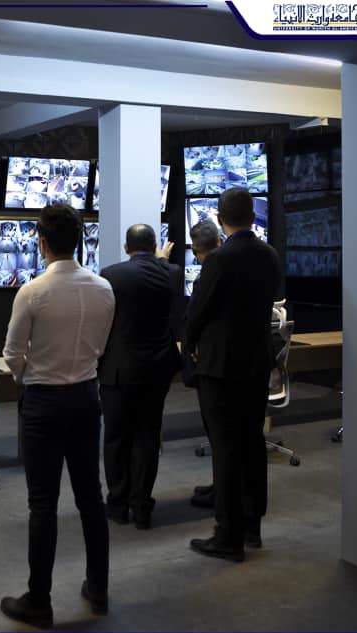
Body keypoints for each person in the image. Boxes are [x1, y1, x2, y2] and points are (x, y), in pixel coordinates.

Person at [0, 203, 115, 627]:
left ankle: (39, 600)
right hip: (86, 397)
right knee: (91, 498)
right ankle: (98, 589)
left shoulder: (32, 292)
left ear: (43, 243)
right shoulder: (104, 288)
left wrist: (31, 378)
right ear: (79, 241)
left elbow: (13, 355)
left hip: (44, 404)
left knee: (43, 504)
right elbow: (101, 346)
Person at [185, 187, 282, 562]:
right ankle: (252, 526)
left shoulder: (219, 259)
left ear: (220, 219)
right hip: (256, 362)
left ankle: (228, 536)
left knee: (226, 449)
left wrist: (190, 344)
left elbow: (199, 311)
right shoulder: (269, 255)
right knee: (252, 443)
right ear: (253, 217)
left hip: (220, 366)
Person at [98, 224, 182, 530]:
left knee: (116, 437)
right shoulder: (171, 272)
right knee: (147, 436)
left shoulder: (111, 274)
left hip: (119, 369)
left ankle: (118, 505)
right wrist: (161, 259)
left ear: (126, 247)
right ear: (155, 245)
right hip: (157, 369)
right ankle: (142, 506)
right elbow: (161, 270)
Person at [185, 219, 223, 509]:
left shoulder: (209, 275)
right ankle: (221, 488)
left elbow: (194, 319)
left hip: (213, 364)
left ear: (196, 249)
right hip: (240, 363)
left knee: (218, 433)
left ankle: (222, 493)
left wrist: (191, 348)